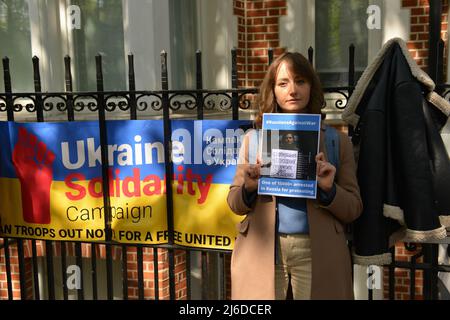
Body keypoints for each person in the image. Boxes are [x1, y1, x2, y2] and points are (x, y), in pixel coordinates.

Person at [227, 52, 363, 300]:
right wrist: (248, 188)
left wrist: (329, 190)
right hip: (264, 250)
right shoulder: (254, 140)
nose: (292, 90)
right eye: (283, 83)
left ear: (311, 86)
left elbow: (353, 208)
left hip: (317, 251)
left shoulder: (335, 141)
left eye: (300, 81)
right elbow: (234, 203)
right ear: (273, 90)